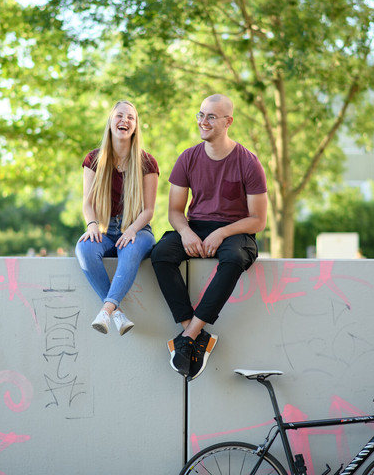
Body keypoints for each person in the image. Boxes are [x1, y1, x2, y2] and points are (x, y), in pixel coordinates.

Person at [151, 94, 267, 380]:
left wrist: (223, 232)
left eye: (211, 117)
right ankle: (195, 333)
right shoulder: (188, 158)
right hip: (196, 226)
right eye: (200, 115)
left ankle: (188, 336)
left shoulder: (249, 162)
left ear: (228, 122)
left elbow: (258, 220)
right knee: (160, 254)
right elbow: (175, 211)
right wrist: (186, 231)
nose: (203, 121)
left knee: (235, 258)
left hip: (235, 230)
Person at [75, 100, 159, 336]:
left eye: (131, 117)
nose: (125, 121)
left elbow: (149, 210)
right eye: (120, 116)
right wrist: (92, 225)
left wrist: (132, 230)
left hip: (138, 228)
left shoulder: (147, 162)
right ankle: (117, 313)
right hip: (104, 230)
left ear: (135, 125)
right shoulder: (93, 159)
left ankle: (106, 310)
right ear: (110, 121)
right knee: (84, 249)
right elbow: (87, 204)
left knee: (131, 250)